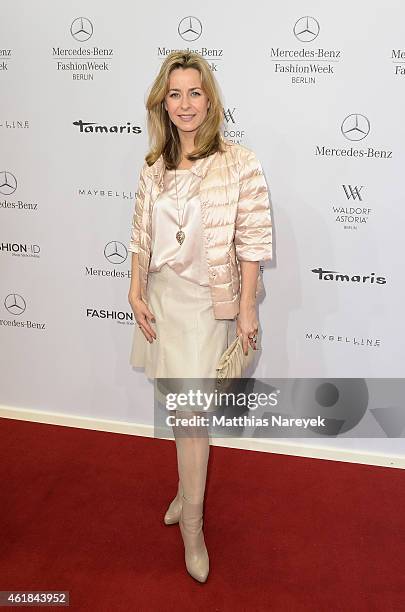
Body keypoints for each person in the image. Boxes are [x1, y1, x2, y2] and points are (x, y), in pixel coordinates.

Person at [127, 50, 273, 583]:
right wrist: (135, 287)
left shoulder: (239, 162)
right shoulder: (153, 166)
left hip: (208, 307)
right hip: (163, 304)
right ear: (162, 103)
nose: (185, 104)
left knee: (192, 417)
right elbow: (141, 235)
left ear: (209, 99)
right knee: (183, 413)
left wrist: (248, 306)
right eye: (174, 94)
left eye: (194, 92)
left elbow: (253, 240)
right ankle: (188, 493)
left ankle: (193, 523)